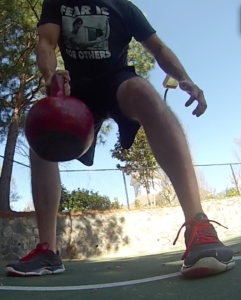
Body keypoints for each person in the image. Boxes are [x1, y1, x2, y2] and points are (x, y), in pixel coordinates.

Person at [6, 0, 235, 278]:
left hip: (117, 81)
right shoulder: (58, 2)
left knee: (143, 91)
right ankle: (47, 250)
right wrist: (50, 76)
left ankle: (198, 227)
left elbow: (159, 49)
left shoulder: (124, 8)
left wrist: (183, 77)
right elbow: (46, 42)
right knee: (42, 125)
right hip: (76, 88)